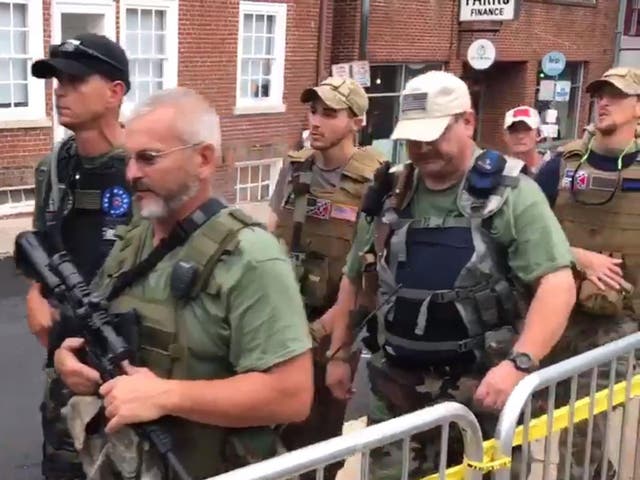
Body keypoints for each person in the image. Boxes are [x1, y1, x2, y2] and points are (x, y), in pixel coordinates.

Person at [324, 70, 576, 478]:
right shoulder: (390, 192)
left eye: (435, 134)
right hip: (397, 391)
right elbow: (356, 277)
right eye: (413, 138)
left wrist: (519, 363)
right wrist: (339, 353)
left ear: (468, 121)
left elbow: (557, 283)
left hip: (482, 395)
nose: (422, 148)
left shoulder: (512, 194)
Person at [52, 87, 314, 479]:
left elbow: (291, 395)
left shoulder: (251, 257)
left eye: (148, 159)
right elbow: (106, 324)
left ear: (204, 159)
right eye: (129, 159)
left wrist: (168, 396)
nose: (132, 174)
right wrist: (71, 362)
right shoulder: (135, 239)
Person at [26, 33, 133, 480]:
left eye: (73, 79)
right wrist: (35, 296)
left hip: (130, 371)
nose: (59, 90)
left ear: (115, 92)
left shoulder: (144, 168)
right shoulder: (53, 167)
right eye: (56, 79)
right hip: (65, 369)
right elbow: (42, 244)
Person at [267, 77, 384, 480]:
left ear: (357, 122)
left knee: (318, 438)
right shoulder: (295, 166)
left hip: (333, 323)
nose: (315, 121)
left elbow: (370, 275)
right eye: (313, 111)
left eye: (329, 114)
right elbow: (270, 233)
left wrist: (330, 338)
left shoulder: (375, 180)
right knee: (273, 430)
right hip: (282, 317)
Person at [534, 66, 640, 479]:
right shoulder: (559, 166)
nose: (604, 102)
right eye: (600, 94)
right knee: (525, 419)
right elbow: (523, 230)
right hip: (553, 312)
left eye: (617, 95)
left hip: (618, 324)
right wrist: (579, 255)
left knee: (581, 424)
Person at [503, 105, 547, 175]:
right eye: (513, 130)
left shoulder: (555, 168)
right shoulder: (498, 169)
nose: (520, 136)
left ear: (538, 134)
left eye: (526, 129)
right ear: (505, 136)